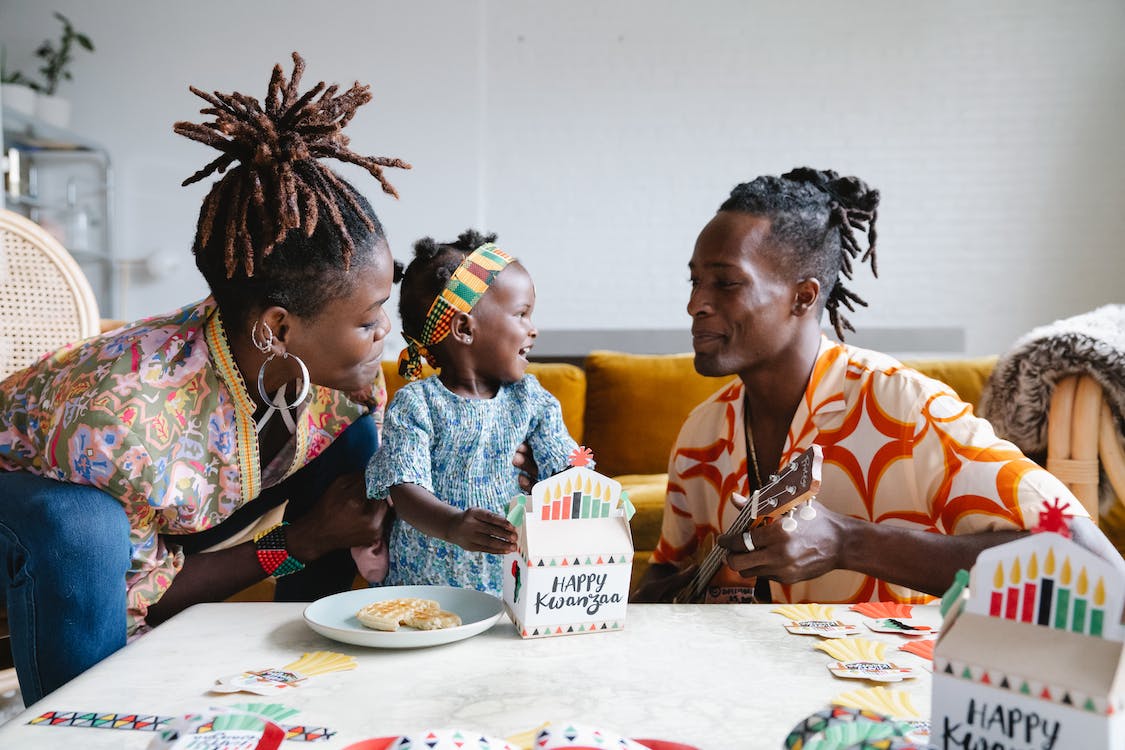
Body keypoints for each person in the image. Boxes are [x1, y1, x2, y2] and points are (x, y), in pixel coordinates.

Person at [0, 53, 411, 704]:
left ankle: (313, 669)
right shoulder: (125, 415)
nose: (383, 332)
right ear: (278, 329)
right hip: (43, 512)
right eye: (368, 321)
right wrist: (301, 541)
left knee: (357, 447)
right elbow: (145, 602)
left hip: (168, 511)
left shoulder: (344, 381)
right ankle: (84, 722)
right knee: (80, 527)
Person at [632, 167, 1124, 605]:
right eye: (694, 282)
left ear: (803, 298)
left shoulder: (906, 409)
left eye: (726, 283)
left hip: (895, 698)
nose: (696, 303)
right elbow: (664, 579)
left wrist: (850, 543)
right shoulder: (701, 434)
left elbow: (1086, 559)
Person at [365, 230, 578, 594]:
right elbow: (404, 487)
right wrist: (452, 525)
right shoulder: (417, 403)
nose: (533, 330)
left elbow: (567, 469)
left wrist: (563, 480)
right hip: (423, 586)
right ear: (464, 328)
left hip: (509, 587)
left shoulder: (530, 398)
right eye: (522, 314)